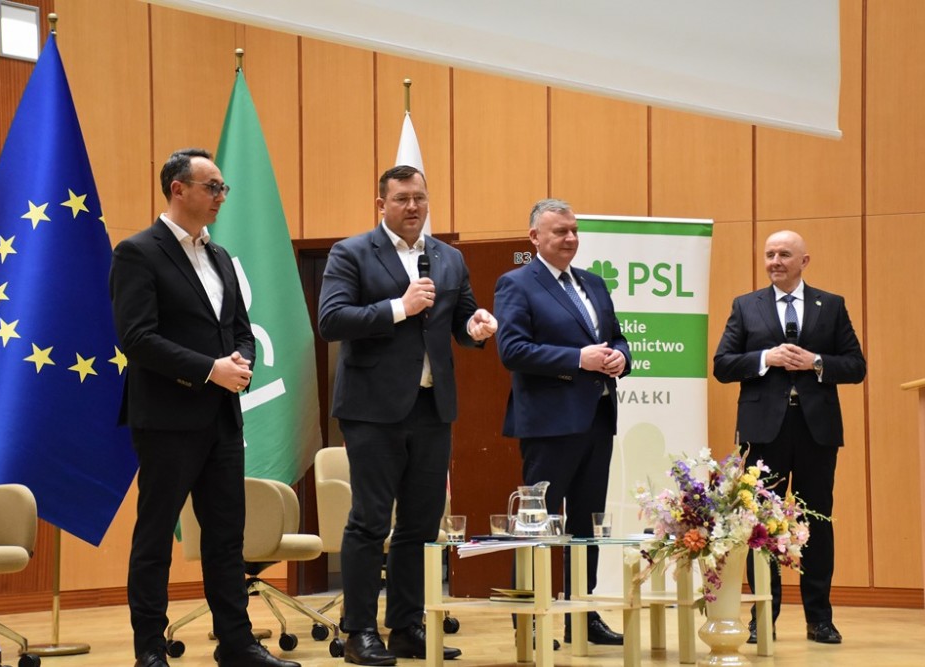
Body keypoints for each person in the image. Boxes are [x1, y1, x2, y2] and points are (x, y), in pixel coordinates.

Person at [110, 148, 298, 667]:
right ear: (178, 189)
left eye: (222, 188)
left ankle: (236, 643)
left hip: (221, 418)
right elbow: (136, 338)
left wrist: (241, 363)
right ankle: (150, 648)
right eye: (212, 187)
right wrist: (209, 369)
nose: (221, 196)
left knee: (226, 537)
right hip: (166, 418)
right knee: (155, 537)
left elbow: (240, 329)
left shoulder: (220, 256)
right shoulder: (138, 252)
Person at [318, 165, 498, 666]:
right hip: (372, 410)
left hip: (431, 408)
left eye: (419, 197)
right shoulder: (351, 253)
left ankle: (406, 627)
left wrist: (476, 326)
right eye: (401, 199)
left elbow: (461, 318)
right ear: (382, 204)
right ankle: (358, 632)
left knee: (419, 526)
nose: (413, 206)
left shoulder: (448, 257)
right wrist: (399, 307)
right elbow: (331, 320)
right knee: (370, 521)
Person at [713, 229, 866, 645]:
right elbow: (723, 365)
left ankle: (820, 619)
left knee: (817, 522)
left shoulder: (830, 305)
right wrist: (767, 357)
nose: (775, 261)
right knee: (761, 525)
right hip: (764, 432)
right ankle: (764, 617)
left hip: (817, 430)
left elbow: (856, 366)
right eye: (769, 254)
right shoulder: (746, 306)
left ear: (804, 261)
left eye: (784, 254)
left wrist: (816, 362)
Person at [493, 198, 630, 646]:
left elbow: (617, 338)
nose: (570, 238)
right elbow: (512, 350)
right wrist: (578, 359)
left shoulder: (593, 283)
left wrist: (620, 358)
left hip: (597, 419)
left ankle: (582, 615)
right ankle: (529, 620)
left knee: (586, 527)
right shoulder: (516, 283)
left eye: (574, 230)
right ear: (535, 237)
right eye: (560, 231)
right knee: (537, 526)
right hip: (548, 426)